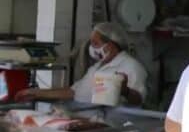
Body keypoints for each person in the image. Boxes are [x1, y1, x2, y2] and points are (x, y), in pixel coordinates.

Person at [17, 21, 148, 106]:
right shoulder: (97, 67)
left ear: (111, 45)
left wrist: (125, 90)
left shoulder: (132, 67)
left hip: (110, 124)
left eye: (95, 44)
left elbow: (139, 100)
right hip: (86, 117)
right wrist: (36, 93)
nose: (91, 48)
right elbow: (73, 92)